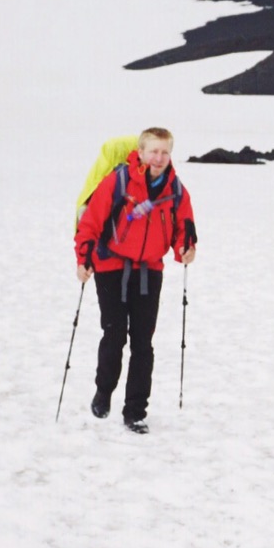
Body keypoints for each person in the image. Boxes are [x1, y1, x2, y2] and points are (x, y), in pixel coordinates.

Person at [73, 127, 197, 432]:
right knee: (114, 335)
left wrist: (186, 250)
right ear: (140, 153)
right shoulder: (118, 182)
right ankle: (104, 393)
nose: (159, 157)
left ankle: (135, 412)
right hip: (111, 268)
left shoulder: (176, 190)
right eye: (153, 151)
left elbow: (185, 230)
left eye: (165, 152)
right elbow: (90, 223)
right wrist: (83, 259)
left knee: (143, 343)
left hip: (149, 272)